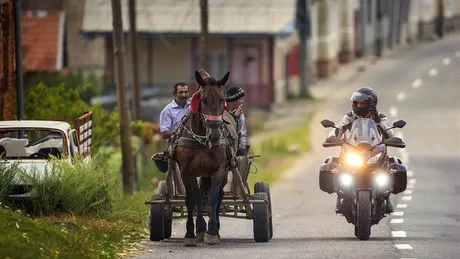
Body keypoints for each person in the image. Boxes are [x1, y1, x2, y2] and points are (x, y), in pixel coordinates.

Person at [327, 87, 396, 214]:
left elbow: (390, 134)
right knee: (339, 167)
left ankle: (385, 196)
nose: (358, 105)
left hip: (373, 150)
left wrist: (378, 121)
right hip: (354, 149)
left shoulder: (380, 117)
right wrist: (332, 137)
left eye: (362, 103)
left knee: (387, 167)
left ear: (371, 104)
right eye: (356, 103)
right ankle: (341, 195)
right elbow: (339, 128)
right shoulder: (350, 116)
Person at [151, 82, 190, 169]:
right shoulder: (167, 111)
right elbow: (164, 133)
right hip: (177, 144)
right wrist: (182, 134)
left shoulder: (192, 106)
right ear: (174, 94)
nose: (184, 95)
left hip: (196, 142)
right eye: (180, 92)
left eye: (186, 92)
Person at [224, 86, 248, 156]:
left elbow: (242, 134)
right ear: (233, 100)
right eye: (241, 99)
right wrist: (234, 118)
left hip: (233, 151)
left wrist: (241, 149)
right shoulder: (220, 112)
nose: (243, 102)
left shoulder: (240, 115)